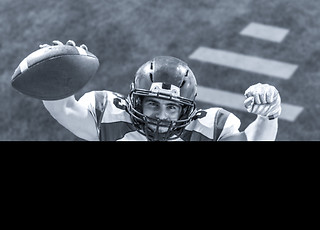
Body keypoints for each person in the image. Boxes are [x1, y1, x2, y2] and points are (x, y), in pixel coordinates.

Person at [42, 40, 282, 141]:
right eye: (153, 103)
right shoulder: (112, 118)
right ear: (137, 101)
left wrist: (268, 113)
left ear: (186, 109)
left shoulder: (208, 129)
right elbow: (63, 108)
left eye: (172, 107)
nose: (161, 115)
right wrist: (57, 72)